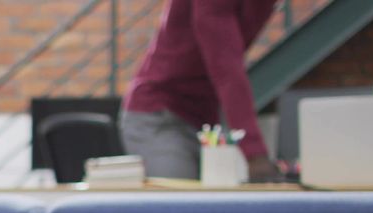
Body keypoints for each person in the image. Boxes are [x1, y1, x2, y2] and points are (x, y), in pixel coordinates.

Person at [120, 0, 280, 181]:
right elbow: (226, 68)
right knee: (181, 204)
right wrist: (254, 153)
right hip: (161, 114)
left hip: (205, 120)